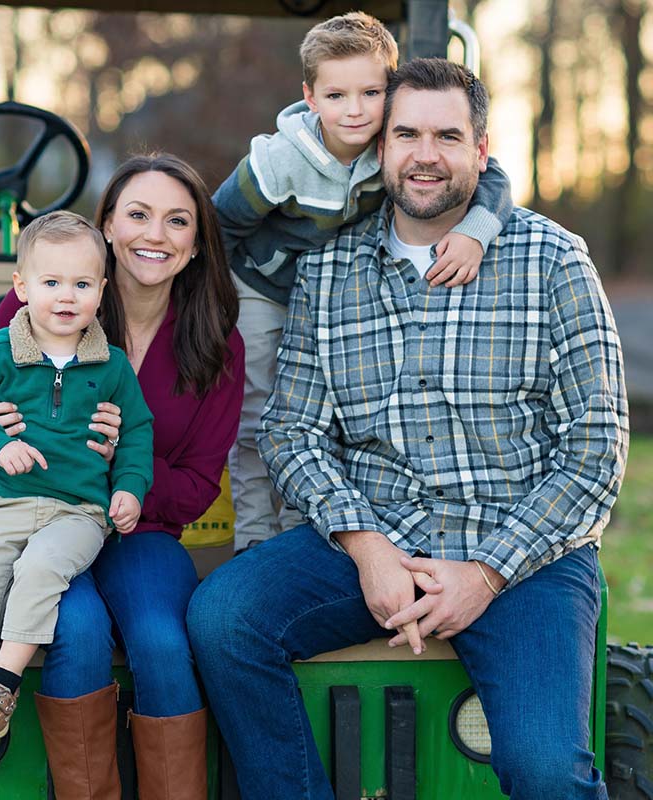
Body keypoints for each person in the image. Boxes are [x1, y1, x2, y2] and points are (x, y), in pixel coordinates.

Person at [188, 58, 628, 800]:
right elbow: (292, 432)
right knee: (225, 619)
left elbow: (596, 451)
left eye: (448, 136)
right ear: (380, 149)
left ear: (481, 152)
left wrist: (487, 572)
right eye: (408, 134)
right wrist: (368, 550)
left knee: (549, 772)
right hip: (375, 533)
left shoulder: (553, 260)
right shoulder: (328, 272)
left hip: (523, 554)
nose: (426, 155)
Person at [0, 154, 244, 799]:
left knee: (162, 642)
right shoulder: (43, 300)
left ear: (196, 245)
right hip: (18, 516)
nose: (154, 234)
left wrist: (120, 475)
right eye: (137, 214)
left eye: (177, 221)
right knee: (75, 629)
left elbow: (196, 486)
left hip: (136, 527)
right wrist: (0, 440)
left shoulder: (215, 340)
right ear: (107, 225)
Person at [213, 11, 514, 552]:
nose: (354, 110)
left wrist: (475, 231)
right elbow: (221, 223)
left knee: (321, 418)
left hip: (337, 293)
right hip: (262, 286)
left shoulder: (398, 149)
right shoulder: (281, 159)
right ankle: (255, 538)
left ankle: (303, 527)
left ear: (391, 90)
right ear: (311, 96)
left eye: (371, 93)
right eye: (336, 96)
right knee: (260, 413)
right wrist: (209, 304)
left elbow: (490, 174)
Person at [0, 211, 154, 786]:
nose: (66, 297)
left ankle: (1, 685)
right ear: (21, 288)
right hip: (4, 503)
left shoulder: (110, 366)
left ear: (102, 292)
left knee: (39, 569)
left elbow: (136, 433)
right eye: (51, 283)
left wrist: (129, 488)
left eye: (82, 284)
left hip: (78, 511)